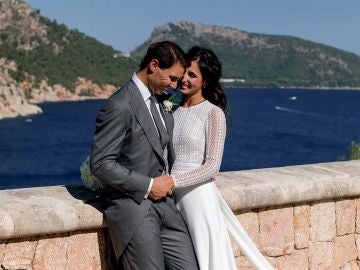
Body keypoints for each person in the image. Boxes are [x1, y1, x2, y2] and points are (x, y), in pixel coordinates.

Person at [89, 41, 198, 270]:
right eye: (172, 78)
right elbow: (100, 163)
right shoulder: (119, 104)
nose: (176, 85)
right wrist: (149, 185)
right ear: (154, 65)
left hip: (167, 208)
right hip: (134, 209)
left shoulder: (162, 101)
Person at [169, 46, 274, 270]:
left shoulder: (213, 113)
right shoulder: (172, 111)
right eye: (184, 72)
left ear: (205, 81)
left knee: (207, 261)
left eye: (192, 75)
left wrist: (173, 181)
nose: (184, 79)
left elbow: (212, 166)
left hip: (197, 199)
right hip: (170, 198)